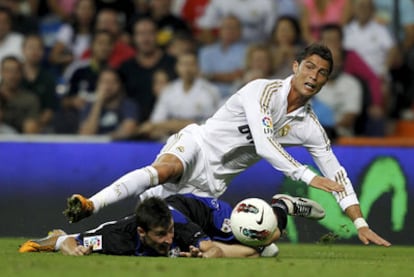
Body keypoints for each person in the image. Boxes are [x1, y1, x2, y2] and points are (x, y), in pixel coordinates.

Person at [65, 43, 391, 247]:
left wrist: (360, 223)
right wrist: (306, 176)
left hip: (211, 188)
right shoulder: (261, 92)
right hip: (196, 147)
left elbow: (338, 174)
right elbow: (264, 145)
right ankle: (92, 204)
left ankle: (282, 207)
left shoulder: (309, 127)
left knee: (262, 246)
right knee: (167, 169)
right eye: (309, 66)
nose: (314, 76)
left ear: (325, 81)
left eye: (322, 73)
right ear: (295, 67)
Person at [21, 193, 321, 257]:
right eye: (161, 235)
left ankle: (283, 206)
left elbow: (223, 252)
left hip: (203, 213)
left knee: (265, 244)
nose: (168, 239)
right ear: (142, 233)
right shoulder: (118, 238)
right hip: (170, 213)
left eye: (169, 232)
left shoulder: (181, 228)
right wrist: (65, 245)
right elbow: (74, 241)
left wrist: (205, 254)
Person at [135, 52, 220, 141]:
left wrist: (173, 125)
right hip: (170, 141)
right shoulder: (168, 90)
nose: (187, 69)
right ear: (177, 67)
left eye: (191, 64)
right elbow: (155, 122)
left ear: (198, 67)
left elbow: (211, 126)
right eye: (183, 64)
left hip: (200, 141)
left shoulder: (210, 91)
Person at [118, 17, 176, 123]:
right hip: (133, 128)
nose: (146, 39)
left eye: (150, 33)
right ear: (134, 38)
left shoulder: (173, 64)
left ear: (157, 35)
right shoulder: (125, 68)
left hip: (166, 127)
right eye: (141, 34)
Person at [78, 68, 139, 140]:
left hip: (119, 148)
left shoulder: (129, 105)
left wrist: (106, 138)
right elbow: (86, 134)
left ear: (120, 85)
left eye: (112, 82)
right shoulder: (89, 106)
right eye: (104, 82)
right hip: (95, 148)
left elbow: (128, 131)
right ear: (97, 84)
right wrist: (98, 102)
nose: (108, 86)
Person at [198, 15, 247, 99]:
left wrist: (212, 76)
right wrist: (228, 76)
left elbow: (239, 75)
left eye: (233, 28)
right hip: (208, 96)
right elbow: (203, 76)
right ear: (220, 30)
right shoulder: (206, 52)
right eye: (226, 27)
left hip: (235, 95)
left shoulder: (247, 51)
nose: (229, 31)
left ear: (240, 31)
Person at [0, 55, 40, 133]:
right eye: (8, 71)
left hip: (20, 139)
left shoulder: (30, 99)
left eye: (16, 71)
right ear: (1, 72)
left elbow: (31, 127)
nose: (12, 76)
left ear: (21, 73)